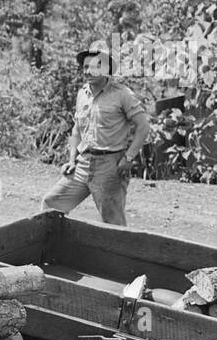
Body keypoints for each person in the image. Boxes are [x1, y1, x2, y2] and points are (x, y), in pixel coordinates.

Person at [41, 41, 151, 226]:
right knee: (52, 203)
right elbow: (76, 130)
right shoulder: (82, 94)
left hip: (110, 166)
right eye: (85, 67)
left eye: (94, 67)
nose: (88, 71)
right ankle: (53, 251)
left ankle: (116, 255)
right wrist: (71, 160)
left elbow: (143, 126)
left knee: (112, 222)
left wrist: (129, 157)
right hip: (83, 164)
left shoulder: (122, 94)